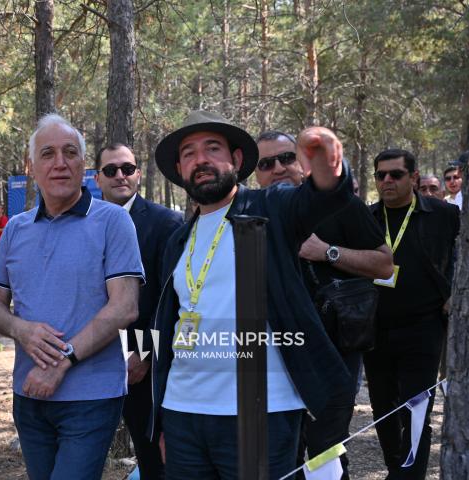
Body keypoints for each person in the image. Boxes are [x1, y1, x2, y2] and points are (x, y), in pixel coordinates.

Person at [149, 110, 354, 479]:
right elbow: (170, 326)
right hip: (183, 414)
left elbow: (322, 195)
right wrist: (165, 419)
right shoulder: (178, 239)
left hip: (260, 413)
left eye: (212, 148)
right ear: (180, 169)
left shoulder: (269, 207)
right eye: (189, 153)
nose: (201, 160)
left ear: (237, 159)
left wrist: (326, 161)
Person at [0, 114, 145, 480]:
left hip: (91, 396)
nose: (60, 163)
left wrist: (62, 361)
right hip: (29, 394)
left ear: (83, 163)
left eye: (70, 152)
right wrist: (20, 329)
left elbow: (125, 306)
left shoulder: (113, 221)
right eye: (48, 154)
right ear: (31, 166)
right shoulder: (16, 229)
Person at [255, 130, 392, 478]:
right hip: (277, 354)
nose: (278, 168)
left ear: (302, 162)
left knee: (326, 451)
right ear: (255, 174)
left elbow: (384, 265)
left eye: (287, 158)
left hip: (334, 349)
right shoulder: (252, 215)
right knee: (280, 453)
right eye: (266, 163)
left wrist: (328, 252)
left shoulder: (343, 205)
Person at [364, 149, 459, 479]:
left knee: (417, 410)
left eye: (396, 174)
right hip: (374, 329)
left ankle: (411, 475)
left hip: (424, 327)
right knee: (383, 410)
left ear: (414, 177)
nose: (387, 181)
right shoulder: (367, 217)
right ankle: (397, 470)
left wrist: (455, 294)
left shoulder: (443, 214)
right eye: (380, 175)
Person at [94, 142, 183, 479]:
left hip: (141, 366)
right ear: (97, 178)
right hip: (91, 359)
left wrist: (145, 353)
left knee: (153, 459)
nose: (120, 175)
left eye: (127, 169)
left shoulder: (165, 223)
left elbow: (169, 299)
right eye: (111, 170)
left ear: (139, 174)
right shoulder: (86, 222)